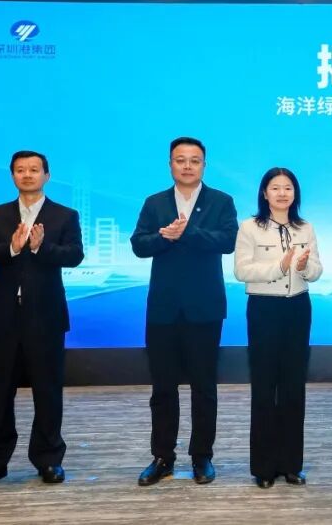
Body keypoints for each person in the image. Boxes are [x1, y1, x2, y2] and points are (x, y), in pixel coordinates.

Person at [0, 151, 84, 494]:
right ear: (12, 175)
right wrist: (11, 248)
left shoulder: (65, 215)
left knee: (48, 390)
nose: (27, 175)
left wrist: (42, 248)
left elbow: (75, 255)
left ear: (46, 175)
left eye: (34, 169)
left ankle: (48, 459)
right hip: (2, 318)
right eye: (20, 170)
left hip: (45, 317)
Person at [130, 137, 238, 486]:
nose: (187, 166)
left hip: (205, 308)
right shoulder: (154, 202)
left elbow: (228, 241)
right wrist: (165, 237)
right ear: (170, 165)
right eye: (180, 160)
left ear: (204, 165)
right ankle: (162, 457)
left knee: (204, 387)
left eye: (194, 160)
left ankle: (202, 456)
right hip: (163, 309)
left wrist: (187, 232)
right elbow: (138, 244)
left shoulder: (221, 201)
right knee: (162, 387)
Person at [234, 167, 322, 489]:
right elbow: (242, 271)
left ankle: (291, 465)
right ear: (264, 193)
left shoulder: (305, 227)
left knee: (293, 387)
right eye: (275, 187)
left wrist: (305, 267)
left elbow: (317, 270)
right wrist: (279, 266)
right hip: (264, 309)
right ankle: (263, 467)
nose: (282, 193)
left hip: (298, 307)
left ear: (295, 193)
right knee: (264, 386)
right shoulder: (250, 227)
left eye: (288, 188)